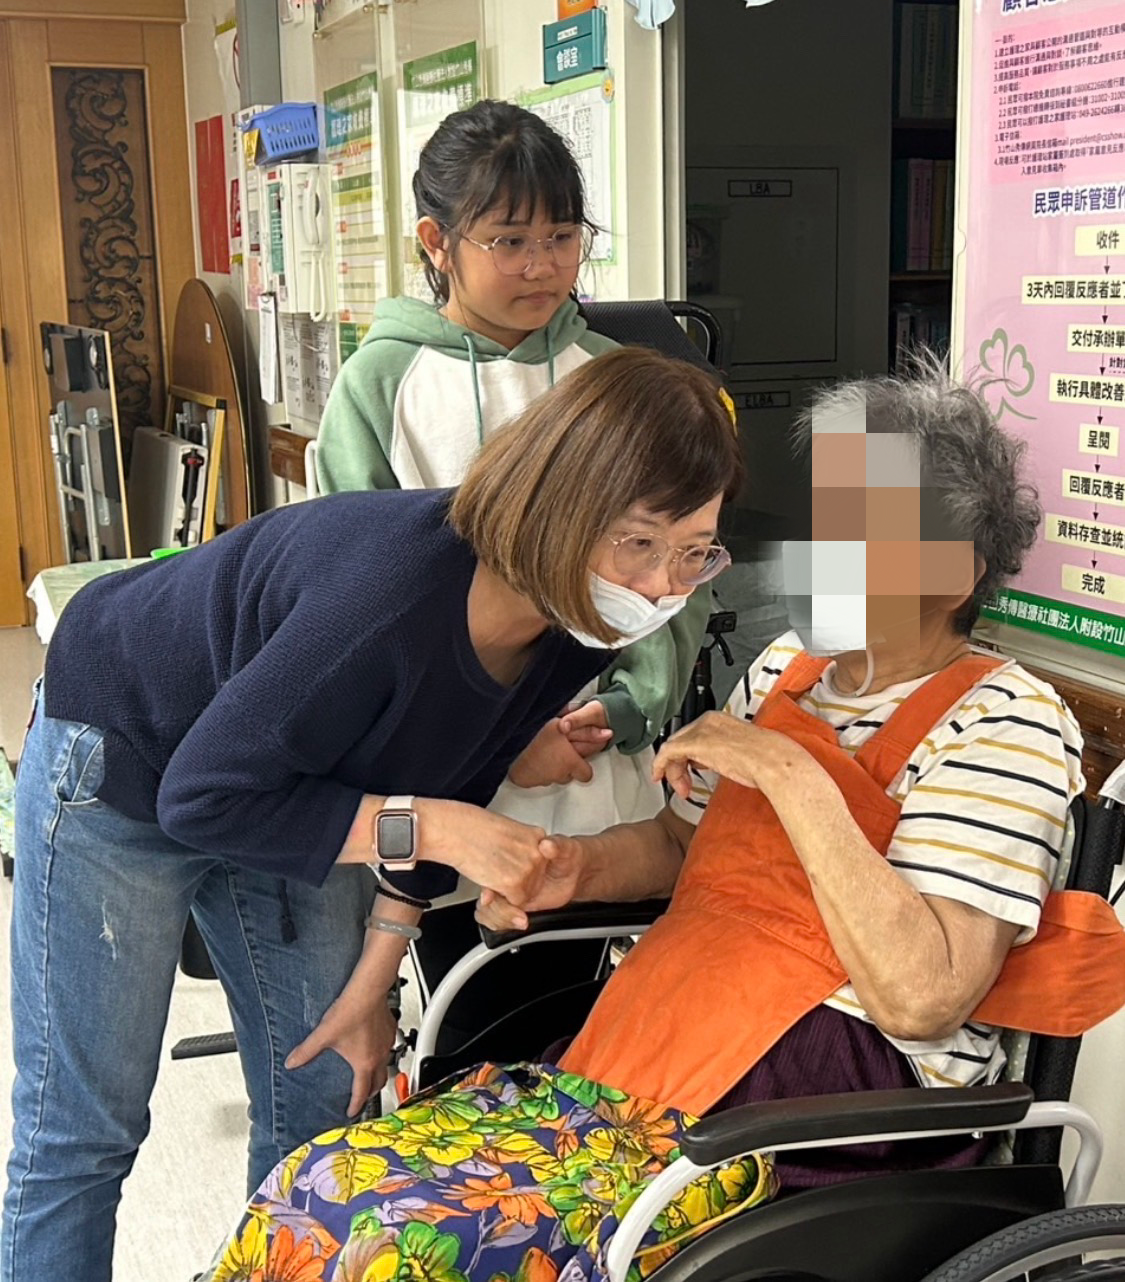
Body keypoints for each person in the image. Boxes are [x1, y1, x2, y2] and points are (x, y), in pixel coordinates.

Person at [205, 360, 1125, 1282]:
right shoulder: (787, 669)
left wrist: (785, 770)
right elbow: (684, 848)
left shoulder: (1005, 721)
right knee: (321, 1184)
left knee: (403, 1250)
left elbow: (921, 996)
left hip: (816, 1116)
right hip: (648, 1059)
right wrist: (572, 867)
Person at [1, 349, 742, 1282]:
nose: (665, 585)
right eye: (639, 543)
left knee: (320, 1091)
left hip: (291, 777)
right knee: (85, 1126)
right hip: (129, 754)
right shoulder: (388, 598)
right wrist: (437, 826)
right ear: (558, 504)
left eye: (695, 549)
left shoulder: (576, 619)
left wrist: (374, 980)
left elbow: (450, 778)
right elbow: (203, 798)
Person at [315, 97, 715, 1046]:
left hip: (594, 754)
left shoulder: (615, 378)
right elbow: (353, 595)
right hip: (446, 762)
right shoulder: (380, 383)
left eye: (562, 237)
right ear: (437, 241)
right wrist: (500, 735)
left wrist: (622, 709)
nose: (541, 264)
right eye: (508, 240)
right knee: (463, 1012)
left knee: (578, 1011)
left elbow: (676, 577)